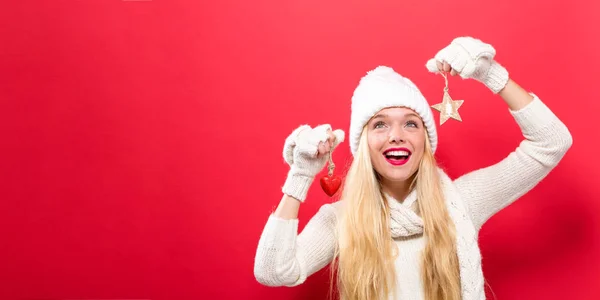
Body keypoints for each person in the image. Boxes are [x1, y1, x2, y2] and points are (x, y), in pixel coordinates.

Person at [253, 36, 573, 300]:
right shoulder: (341, 220)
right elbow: (273, 272)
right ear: (363, 144)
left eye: (410, 123)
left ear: (425, 140)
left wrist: (491, 74)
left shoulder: (462, 201)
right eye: (380, 125)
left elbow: (551, 143)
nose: (396, 136)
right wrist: (300, 175)